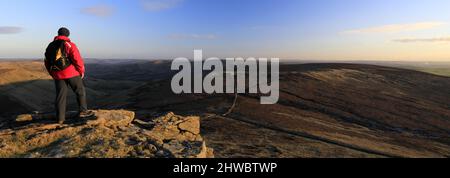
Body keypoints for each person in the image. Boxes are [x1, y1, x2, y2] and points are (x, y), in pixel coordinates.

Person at [44, 27, 94, 124]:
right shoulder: (69, 44)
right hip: (71, 73)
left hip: (57, 75)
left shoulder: (50, 45)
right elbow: (77, 59)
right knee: (80, 91)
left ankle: (60, 119)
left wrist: (52, 73)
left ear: (58, 34)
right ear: (67, 35)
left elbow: (46, 61)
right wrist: (81, 71)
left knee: (60, 96)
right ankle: (83, 111)